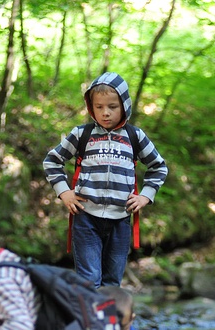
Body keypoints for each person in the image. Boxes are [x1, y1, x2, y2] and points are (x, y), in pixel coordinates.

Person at [43, 72, 168, 288]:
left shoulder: (134, 136)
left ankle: (111, 321)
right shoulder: (82, 134)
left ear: (125, 105)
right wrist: (64, 192)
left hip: (120, 219)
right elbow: (52, 161)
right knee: (89, 280)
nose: (105, 113)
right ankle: (90, 320)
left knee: (112, 282)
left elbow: (159, 166)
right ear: (91, 107)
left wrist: (145, 197)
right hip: (86, 216)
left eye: (112, 106)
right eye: (99, 107)